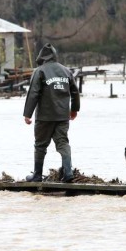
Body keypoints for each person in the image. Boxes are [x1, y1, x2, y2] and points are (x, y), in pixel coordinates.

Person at [23, 43, 80, 182]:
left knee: (40, 145)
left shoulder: (39, 71)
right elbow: (75, 92)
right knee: (63, 143)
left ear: (41, 57)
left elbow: (33, 93)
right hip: (62, 116)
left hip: (44, 117)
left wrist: (27, 114)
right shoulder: (66, 71)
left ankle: (37, 175)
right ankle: (68, 173)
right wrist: (74, 110)